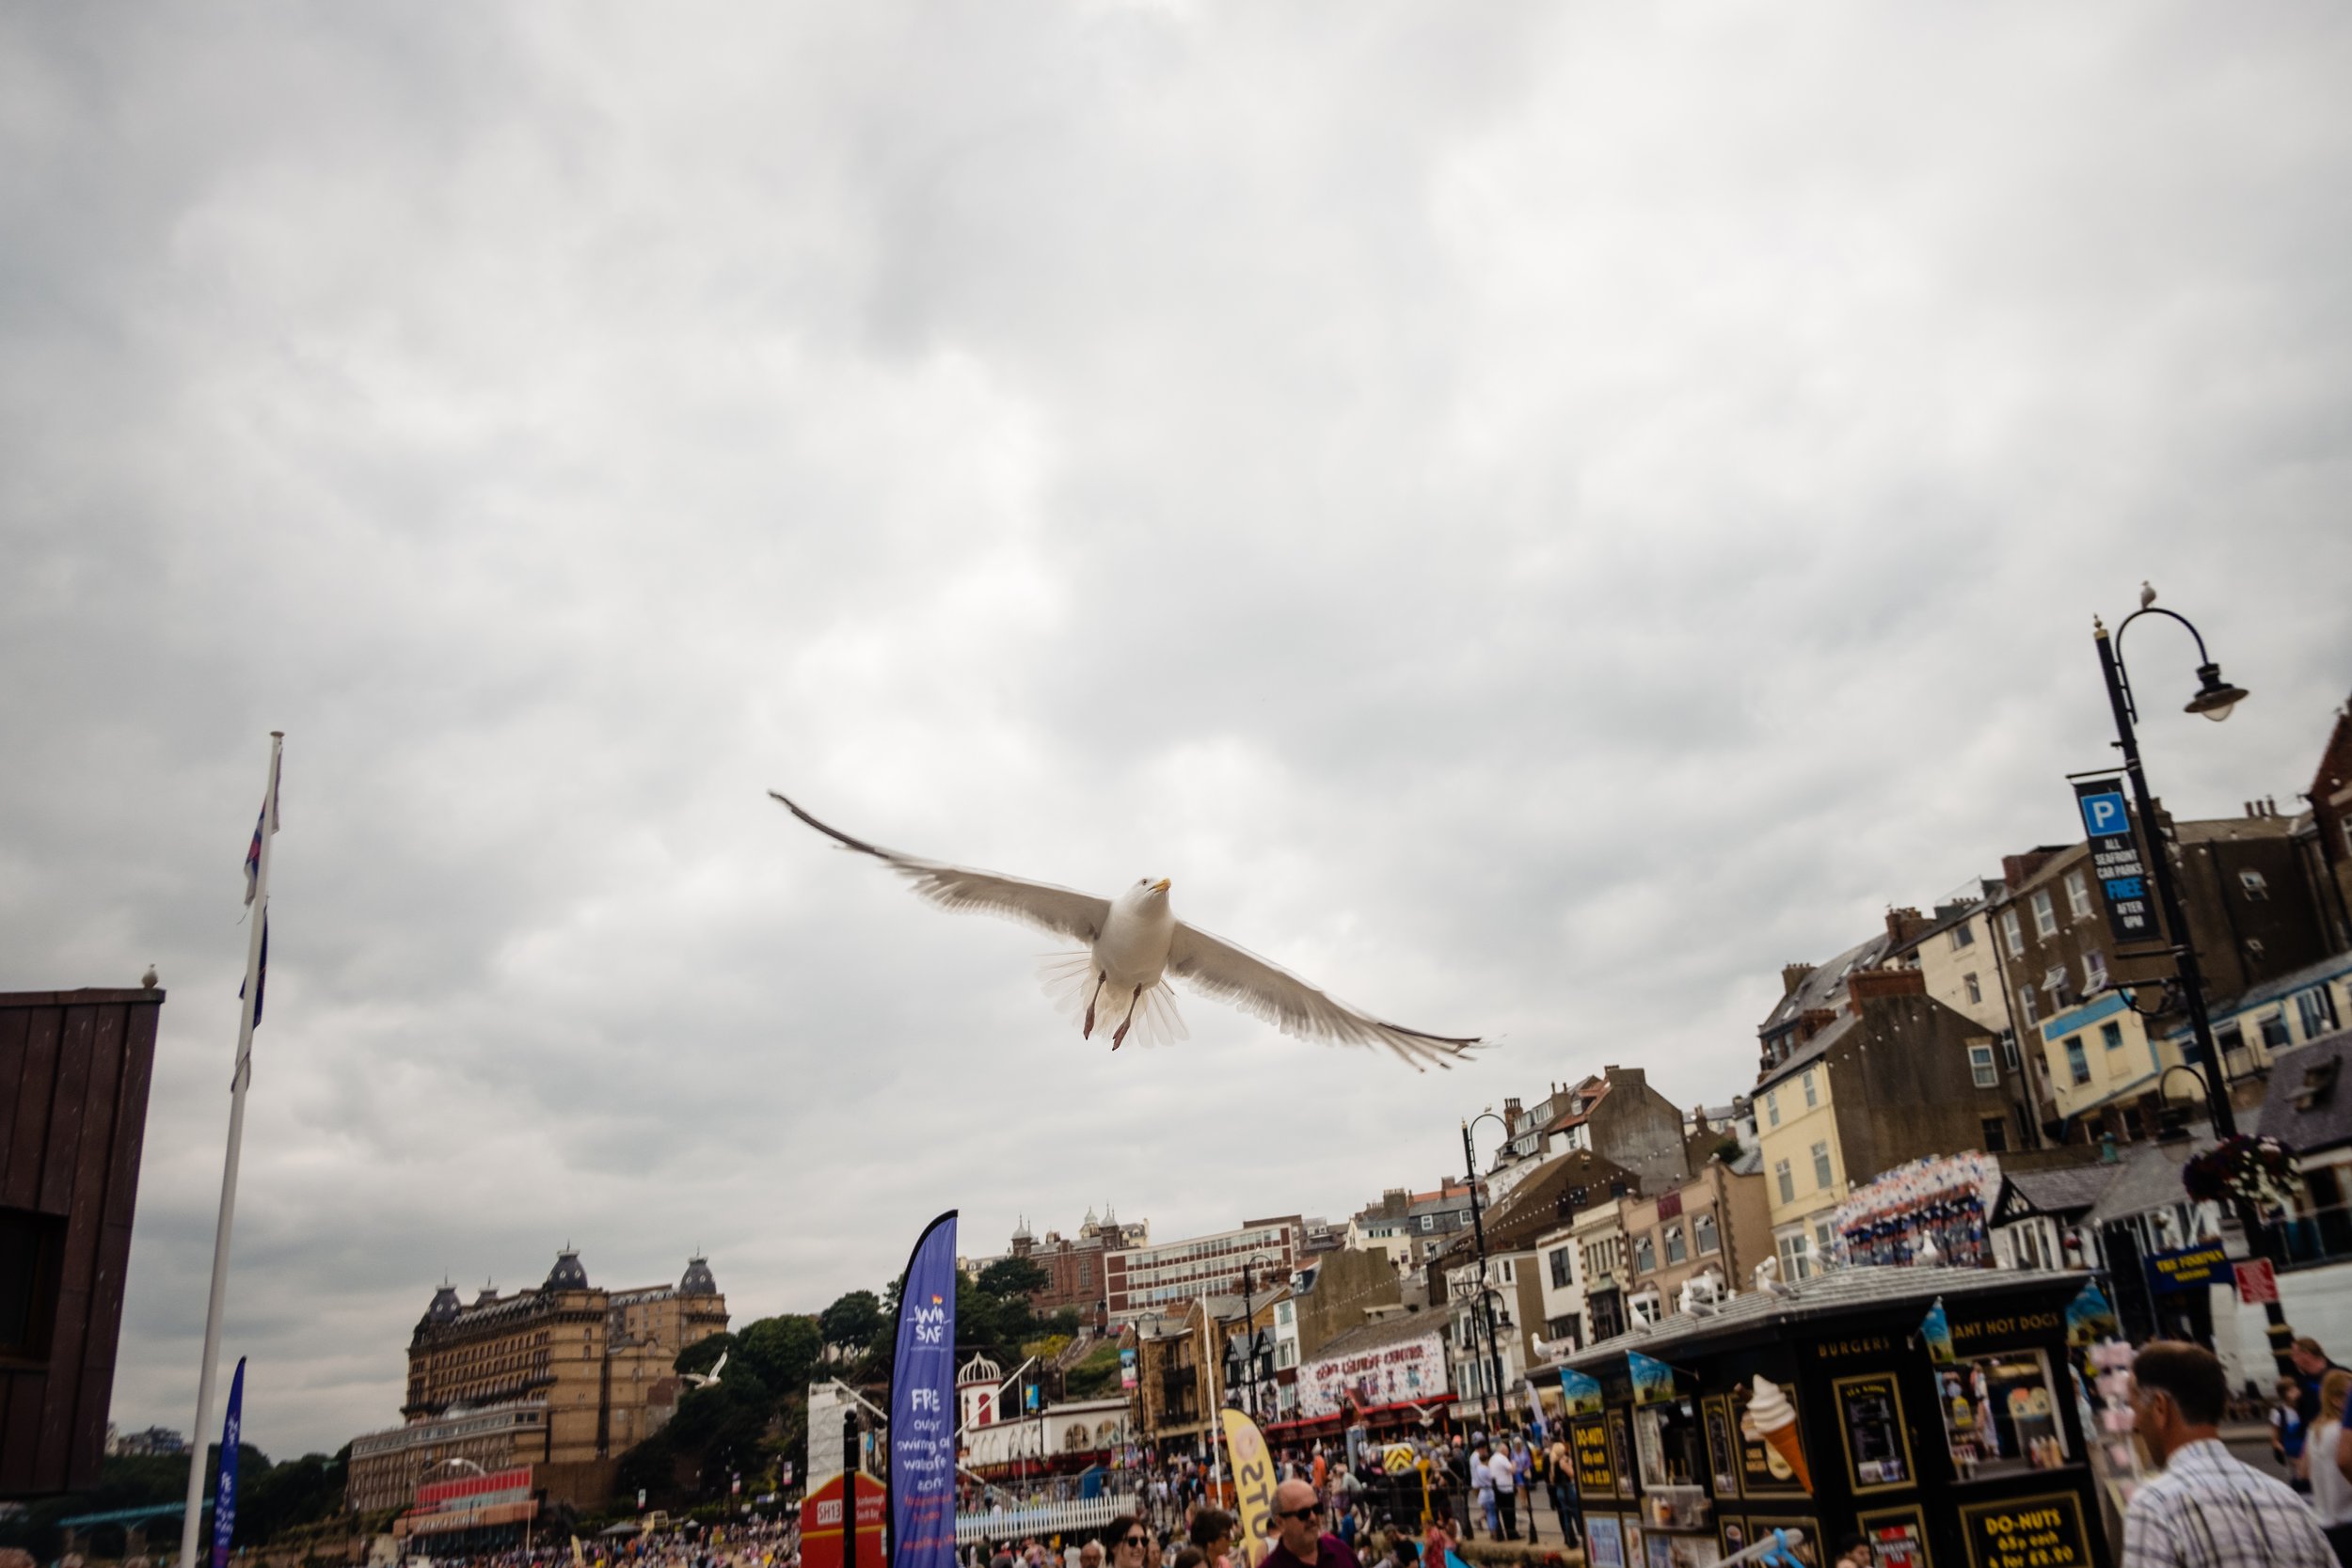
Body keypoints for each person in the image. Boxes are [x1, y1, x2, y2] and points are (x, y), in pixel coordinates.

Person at [2121, 1340, 2332, 1568]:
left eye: (2135, 1409)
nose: (2134, 1424)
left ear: (2160, 1408)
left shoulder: (2154, 1506)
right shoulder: (2287, 1500)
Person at [1258, 1481, 1360, 1568]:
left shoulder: (1341, 1551)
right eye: (1303, 1513)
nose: (1312, 1517)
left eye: (1316, 1509)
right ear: (1280, 1523)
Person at [2310, 1368, 2352, 1561]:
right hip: (2347, 1519)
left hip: (2324, 1523)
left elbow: (2303, 1471)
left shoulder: (2315, 1430)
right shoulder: (2342, 1434)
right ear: (2336, 1400)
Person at [2279, 1376, 2316, 1492]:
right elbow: (2275, 1436)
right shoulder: (2280, 1411)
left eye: (2295, 1388)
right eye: (2290, 1389)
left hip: (2305, 1444)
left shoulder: (2305, 1405)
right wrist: (2281, 1449)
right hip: (2294, 1447)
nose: (2295, 1391)